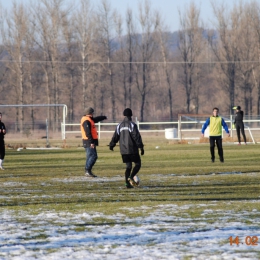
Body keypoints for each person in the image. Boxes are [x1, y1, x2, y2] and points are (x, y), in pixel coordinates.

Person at [109, 108, 144, 188]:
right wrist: (141, 147)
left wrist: (112, 145)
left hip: (123, 150)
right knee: (138, 164)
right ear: (131, 115)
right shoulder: (132, 125)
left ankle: (127, 184)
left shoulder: (119, 125)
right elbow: (137, 137)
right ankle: (131, 177)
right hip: (132, 150)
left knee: (128, 166)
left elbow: (115, 137)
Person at [80, 107, 107, 177]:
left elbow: (95, 120)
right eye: (92, 112)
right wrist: (91, 142)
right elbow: (88, 133)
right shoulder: (86, 121)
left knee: (89, 156)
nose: (93, 114)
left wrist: (103, 117)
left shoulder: (89, 119)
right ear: (90, 113)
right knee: (93, 156)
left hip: (88, 141)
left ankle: (87, 171)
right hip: (89, 141)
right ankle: (87, 170)